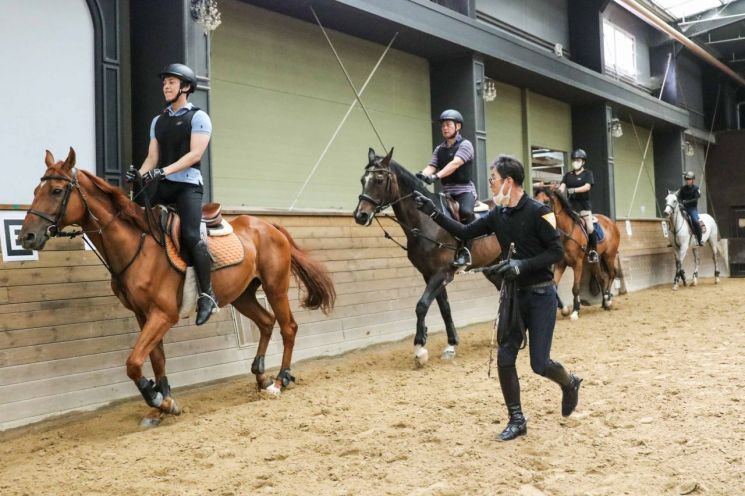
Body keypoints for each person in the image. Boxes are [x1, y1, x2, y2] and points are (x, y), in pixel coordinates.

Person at [413, 155, 582, 441]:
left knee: (539, 364)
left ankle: (569, 383)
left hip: (541, 295)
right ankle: (517, 419)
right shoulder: (497, 215)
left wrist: (521, 265)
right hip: (513, 296)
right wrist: (433, 212)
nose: (490, 184)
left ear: (508, 181)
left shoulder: (540, 212)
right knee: (505, 357)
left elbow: (556, 253)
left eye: (492, 178)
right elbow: (465, 231)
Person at [126, 63, 218, 325]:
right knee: (139, 224)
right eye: (164, 82)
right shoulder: (158, 120)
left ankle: (206, 295)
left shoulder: (199, 117)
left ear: (185, 87)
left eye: (171, 82)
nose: (165, 86)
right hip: (163, 184)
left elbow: (195, 155)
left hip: (188, 185)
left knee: (190, 234)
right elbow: (152, 157)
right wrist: (140, 173)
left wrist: (163, 171)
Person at [416, 109, 476, 268]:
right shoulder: (439, 149)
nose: (444, 128)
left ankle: (466, 251)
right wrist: (423, 175)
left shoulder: (466, 145)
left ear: (458, 126)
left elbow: (455, 163)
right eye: (443, 125)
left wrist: (436, 177)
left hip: (464, 191)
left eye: (448, 124)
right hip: (447, 192)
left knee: (466, 212)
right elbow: (431, 166)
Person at [559, 149, 598, 263]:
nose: (575, 162)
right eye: (574, 160)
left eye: (578, 160)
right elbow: (562, 188)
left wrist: (574, 190)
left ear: (583, 162)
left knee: (590, 227)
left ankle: (593, 251)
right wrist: (557, 192)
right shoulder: (568, 175)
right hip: (570, 208)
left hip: (584, 208)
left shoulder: (587, 174)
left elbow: (587, 187)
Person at [677, 171, 703, 246]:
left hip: (692, 209)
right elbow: (679, 197)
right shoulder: (683, 188)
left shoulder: (696, 188)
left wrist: (686, 202)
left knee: (695, 221)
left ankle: (699, 239)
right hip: (683, 208)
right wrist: (681, 202)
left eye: (689, 179)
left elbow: (696, 199)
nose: (688, 181)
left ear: (693, 180)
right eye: (687, 179)